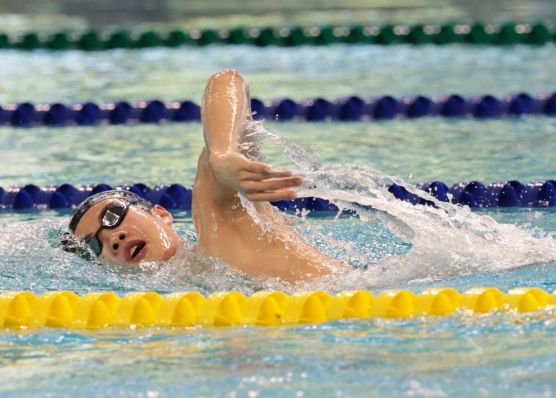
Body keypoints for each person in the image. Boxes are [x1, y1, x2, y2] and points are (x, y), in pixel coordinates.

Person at [64, 69, 346, 281]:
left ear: (161, 214)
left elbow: (227, 80)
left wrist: (221, 155)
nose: (113, 238)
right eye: (93, 245)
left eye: (112, 216)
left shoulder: (222, 225)